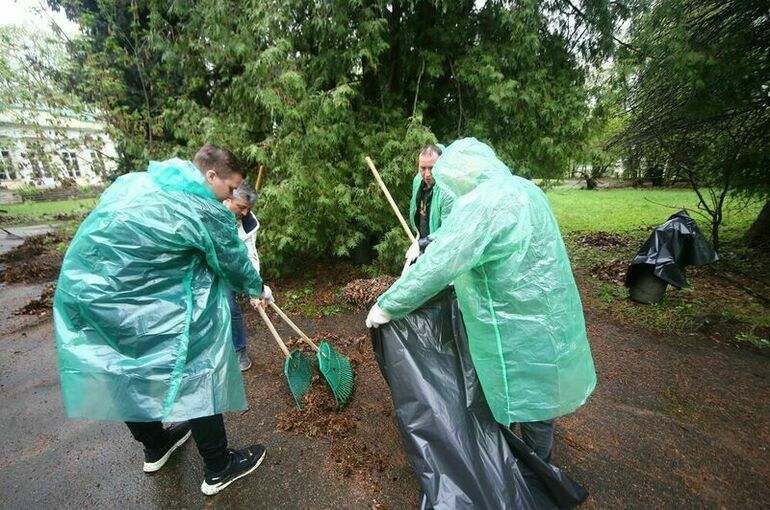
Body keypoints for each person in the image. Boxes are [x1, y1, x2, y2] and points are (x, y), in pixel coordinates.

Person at [54, 142, 274, 496]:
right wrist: (258, 287)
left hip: (88, 292)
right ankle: (219, 467)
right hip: (120, 294)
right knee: (199, 363)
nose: (230, 197)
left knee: (123, 366)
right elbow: (231, 261)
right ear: (211, 175)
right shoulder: (203, 208)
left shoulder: (143, 182)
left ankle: (155, 444)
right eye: (230, 188)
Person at [366, 138, 596, 463]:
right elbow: (465, 236)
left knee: (510, 390)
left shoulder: (483, 204)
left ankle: (519, 474)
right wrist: (428, 240)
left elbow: (442, 264)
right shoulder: (525, 190)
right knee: (538, 394)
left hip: (510, 320)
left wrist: (388, 304)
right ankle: (538, 468)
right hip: (547, 314)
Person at [223, 180, 261, 371]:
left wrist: (256, 290)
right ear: (230, 198)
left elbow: (250, 255)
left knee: (231, 307)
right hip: (205, 266)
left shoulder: (249, 223)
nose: (245, 212)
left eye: (248, 208)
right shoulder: (212, 209)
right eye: (242, 207)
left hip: (229, 269)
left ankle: (240, 350)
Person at [404, 144, 454, 263]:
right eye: (423, 168)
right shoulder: (418, 181)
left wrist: (422, 244)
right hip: (425, 245)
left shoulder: (448, 194)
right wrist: (420, 243)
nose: (427, 174)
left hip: (444, 252)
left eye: (432, 168)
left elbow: (448, 231)